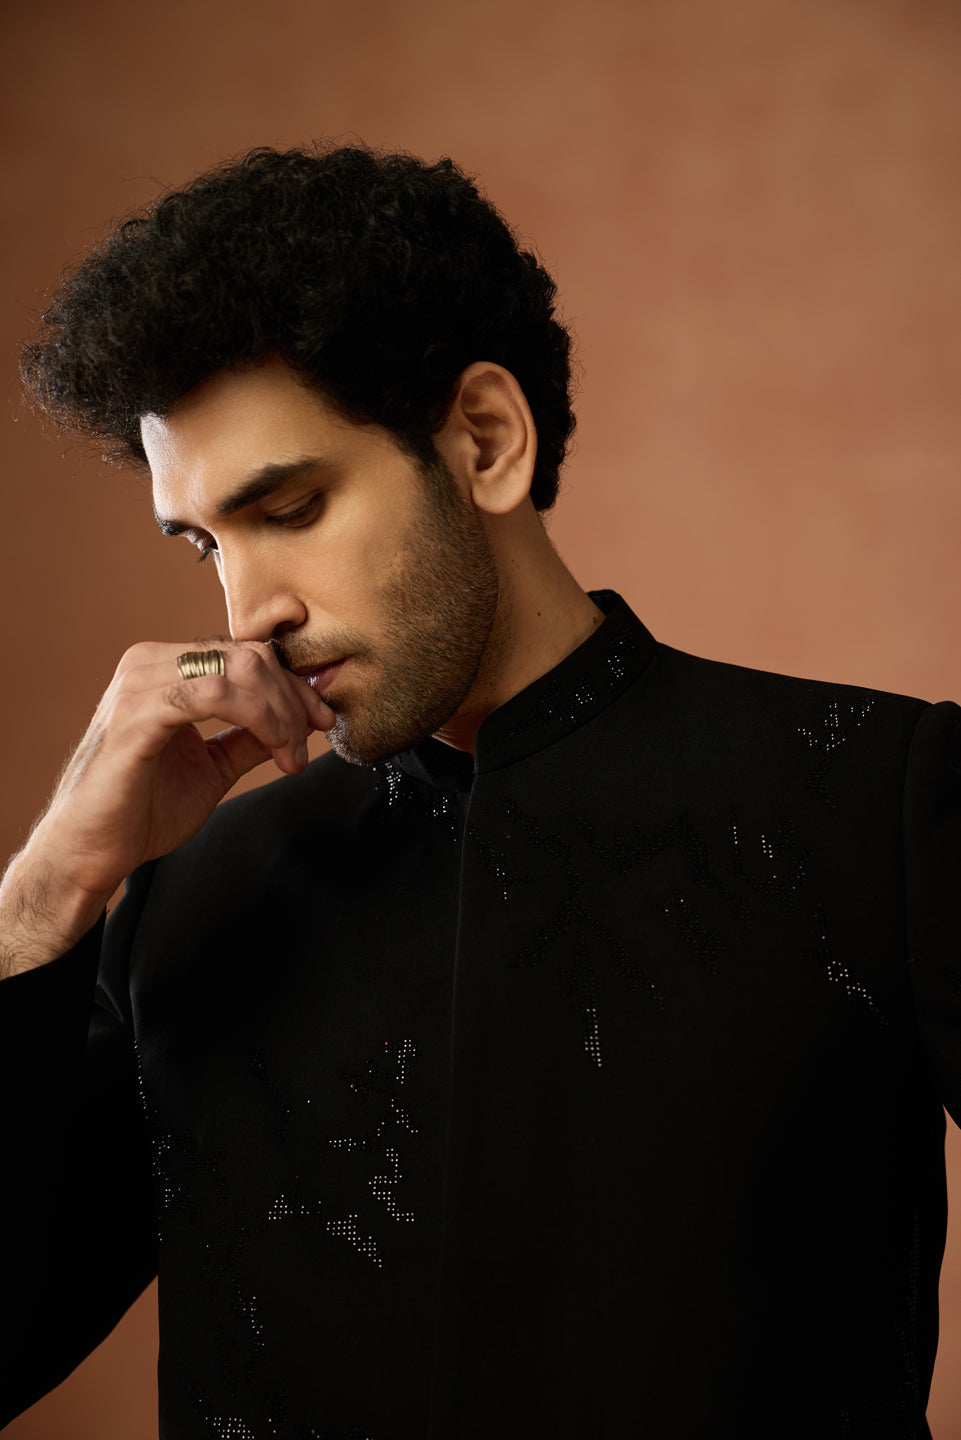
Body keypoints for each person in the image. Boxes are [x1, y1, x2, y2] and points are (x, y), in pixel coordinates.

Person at [1, 143, 959, 1440]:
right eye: (203, 543)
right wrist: (46, 893)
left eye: (291, 507)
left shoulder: (868, 799)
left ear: (485, 442)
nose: (245, 611)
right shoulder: (187, 897)